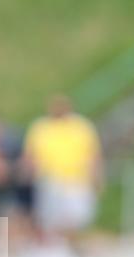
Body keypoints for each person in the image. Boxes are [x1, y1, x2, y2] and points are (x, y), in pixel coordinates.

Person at [21, 94, 102, 236]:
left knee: (77, 219)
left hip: (77, 180)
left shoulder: (81, 127)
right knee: (50, 219)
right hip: (50, 180)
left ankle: (72, 245)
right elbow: (30, 155)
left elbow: (93, 155)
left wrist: (96, 177)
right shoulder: (41, 127)